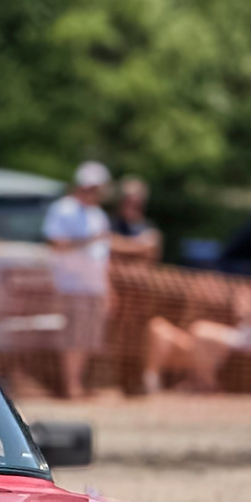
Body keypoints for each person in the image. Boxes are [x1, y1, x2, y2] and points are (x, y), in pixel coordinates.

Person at [142, 243, 251, 395]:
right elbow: (249, 313)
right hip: (243, 335)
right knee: (197, 333)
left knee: (200, 330)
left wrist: (248, 305)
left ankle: (205, 383)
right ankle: (202, 381)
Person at [42, 160, 115, 397]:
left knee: (87, 339)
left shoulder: (98, 215)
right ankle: (71, 385)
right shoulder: (63, 209)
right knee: (73, 337)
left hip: (94, 287)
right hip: (71, 286)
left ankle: (77, 383)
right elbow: (56, 243)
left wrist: (109, 289)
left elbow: (104, 257)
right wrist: (89, 240)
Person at [109, 175, 161, 259]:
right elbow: (107, 246)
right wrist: (138, 245)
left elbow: (151, 251)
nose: (131, 207)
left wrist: (120, 244)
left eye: (136, 204)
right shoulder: (108, 223)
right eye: (128, 202)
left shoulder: (149, 228)